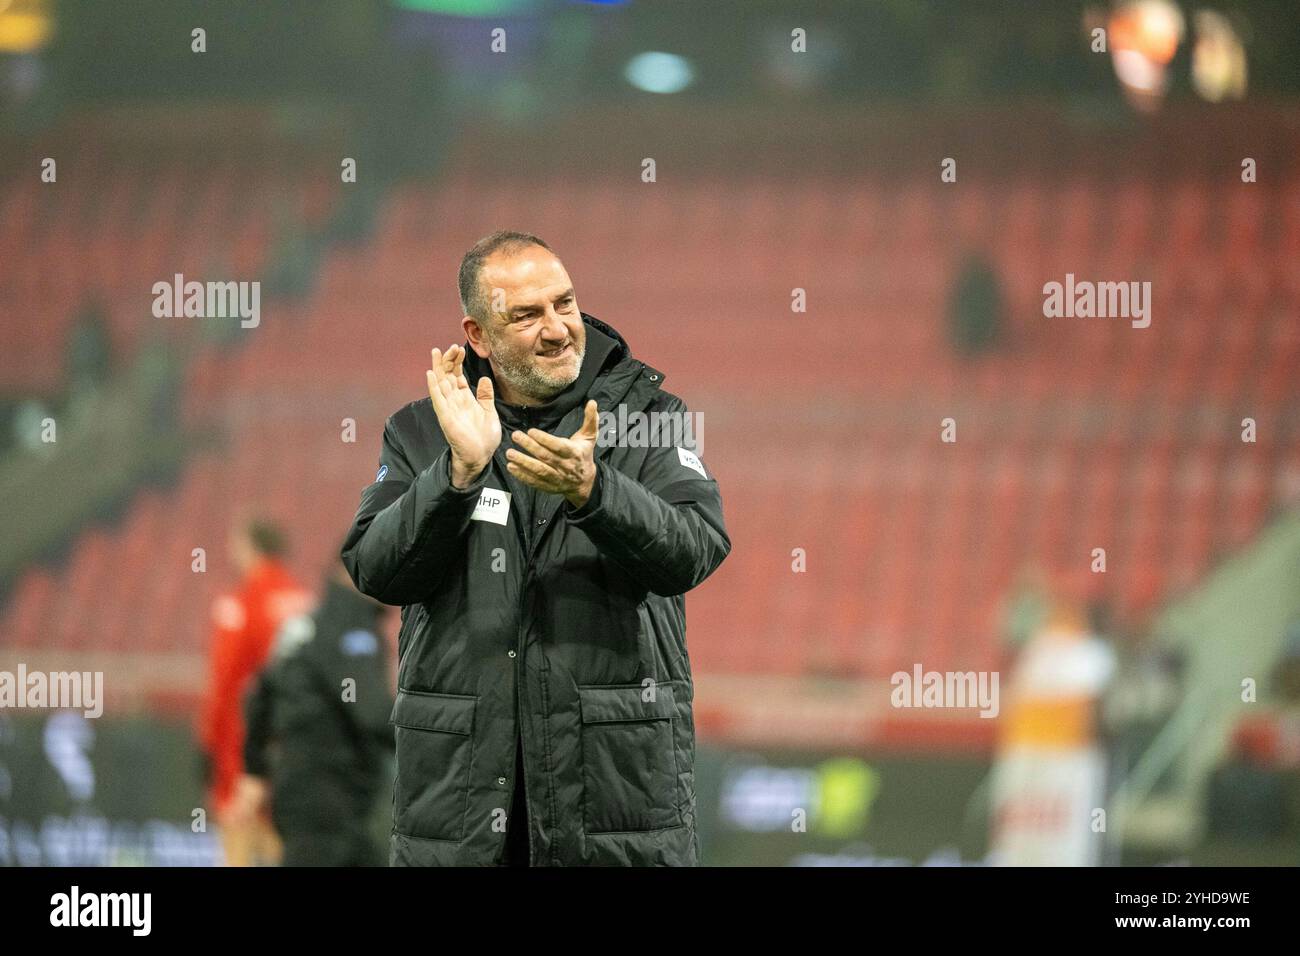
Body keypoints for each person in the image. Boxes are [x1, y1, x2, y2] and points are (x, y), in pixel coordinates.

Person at [342, 231, 731, 866]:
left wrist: (596, 491)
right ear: (478, 335)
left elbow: (694, 549)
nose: (556, 329)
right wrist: (454, 477)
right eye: (526, 315)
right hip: (458, 814)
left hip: (614, 811)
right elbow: (375, 569)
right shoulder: (421, 430)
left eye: (564, 304)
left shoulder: (648, 419)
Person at [236, 559, 395, 866]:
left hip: (301, 796)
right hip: (331, 801)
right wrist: (432, 742)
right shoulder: (350, 627)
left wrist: (254, 770)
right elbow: (373, 713)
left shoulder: (303, 626)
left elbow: (259, 695)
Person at [197, 519, 312, 866]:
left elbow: (224, 683)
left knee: (239, 850)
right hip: (296, 752)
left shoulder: (240, 603)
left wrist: (208, 745)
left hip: (242, 752)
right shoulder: (306, 603)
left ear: (250, 546)